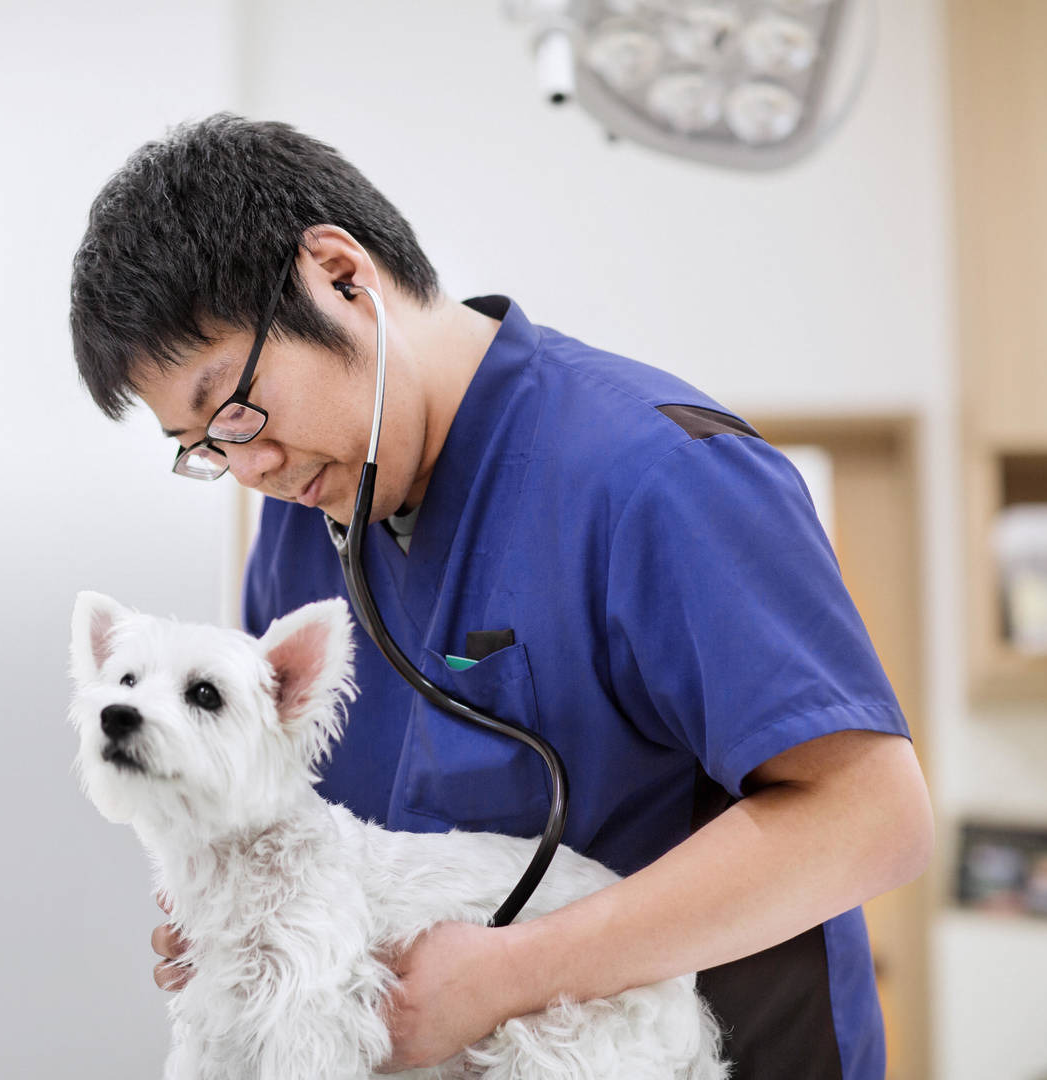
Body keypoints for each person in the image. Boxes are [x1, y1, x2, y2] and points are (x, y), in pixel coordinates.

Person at [68, 113, 933, 1079]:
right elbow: (312, 825)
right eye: (202, 446)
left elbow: (873, 819)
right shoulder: (302, 526)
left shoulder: (655, 476)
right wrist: (245, 918)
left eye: (234, 405)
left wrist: (506, 976)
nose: (248, 466)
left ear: (341, 277)